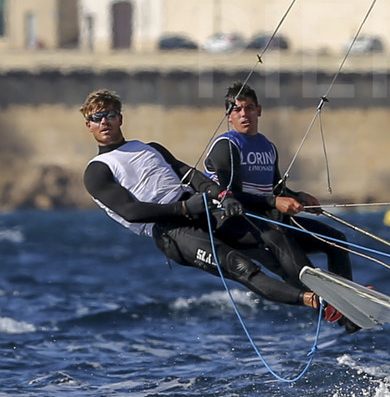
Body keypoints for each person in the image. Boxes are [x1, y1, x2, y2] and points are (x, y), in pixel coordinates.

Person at [78, 88, 334, 316]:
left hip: (202, 209)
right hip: (173, 231)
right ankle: (313, 301)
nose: (104, 122)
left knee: (271, 235)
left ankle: (333, 300)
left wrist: (222, 195)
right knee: (241, 266)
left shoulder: (149, 147)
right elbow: (130, 211)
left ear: (120, 119)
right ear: (88, 125)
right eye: (97, 118)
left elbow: (190, 174)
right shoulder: (98, 170)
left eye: (110, 115)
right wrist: (183, 208)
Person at [205, 83, 356, 286]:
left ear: (258, 110)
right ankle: (321, 294)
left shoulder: (268, 147)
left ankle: (346, 298)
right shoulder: (226, 146)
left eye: (249, 107)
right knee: (280, 237)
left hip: (267, 218)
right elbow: (230, 195)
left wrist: (298, 196)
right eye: (237, 109)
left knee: (336, 239)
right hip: (235, 222)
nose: (243, 114)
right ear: (228, 116)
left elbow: (276, 189)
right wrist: (276, 202)